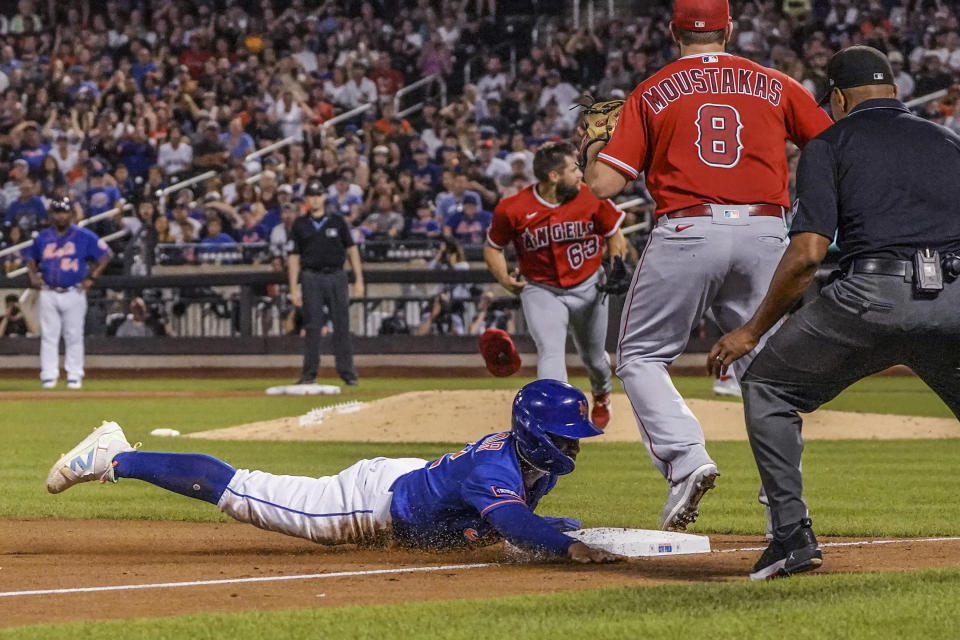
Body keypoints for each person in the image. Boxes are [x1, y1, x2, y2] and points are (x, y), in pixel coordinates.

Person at [708, 46, 960, 580]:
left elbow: (807, 256)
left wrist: (751, 331)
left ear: (839, 98)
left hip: (872, 297)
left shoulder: (829, 142)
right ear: (893, 90)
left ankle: (791, 538)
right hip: (953, 300)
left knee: (769, 388)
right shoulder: (949, 140)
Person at [582, 0, 833, 530]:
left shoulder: (652, 89)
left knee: (641, 356)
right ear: (730, 29)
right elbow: (830, 146)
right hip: (767, 229)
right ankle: (783, 507)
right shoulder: (776, 82)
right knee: (768, 371)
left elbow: (604, 186)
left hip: (688, 227)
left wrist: (594, 148)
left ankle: (686, 460)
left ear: (674, 32)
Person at [45, 380, 620, 564]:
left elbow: (501, 523)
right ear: (539, 435)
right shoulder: (500, 464)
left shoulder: (529, 461)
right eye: (570, 436)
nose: (577, 446)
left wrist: (562, 529)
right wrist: (567, 546)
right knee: (243, 492)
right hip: (366, 501)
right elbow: (516, 526)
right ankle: (114, 455)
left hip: (409, 485)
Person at [486, 141, 626, 429]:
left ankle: (601, 394)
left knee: (593, 357)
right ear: (553, 176)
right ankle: (556, 415)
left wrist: (616, 263)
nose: (580, 173)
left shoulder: (591, 197)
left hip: (589, 285)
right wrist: (503, 278)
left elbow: (614, 233)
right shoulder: (513, 208)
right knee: (550, 350)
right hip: (542, 288)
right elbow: (493, 247)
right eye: (574, 168)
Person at [26, 198, 111, 389]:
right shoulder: (43, 237)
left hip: (74, 291)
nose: (61, 215)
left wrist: (92, 278)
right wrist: (33, 275)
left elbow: (106, 254)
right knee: (49, 335)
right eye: (57, 212)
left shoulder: (83, 235)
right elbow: (30, 257)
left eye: (64, 212)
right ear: (52, 215)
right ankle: (49, 375)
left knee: (74, 335)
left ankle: (74, 375)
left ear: (71, 214)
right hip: (48, 290)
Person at [288, 181, 364, 387]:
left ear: (324, 197)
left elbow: (352, 249)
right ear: (307, 199)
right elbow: (294, 257)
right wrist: (293, 288)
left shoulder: (337, 222)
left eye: (318, 195)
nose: (314, 199)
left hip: (336, 275)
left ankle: (347, 372)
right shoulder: (300, 224)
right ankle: (309, 373)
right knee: (312, 326)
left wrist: (359, 279)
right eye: (311, 195)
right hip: (311, 275)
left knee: (342, 324)